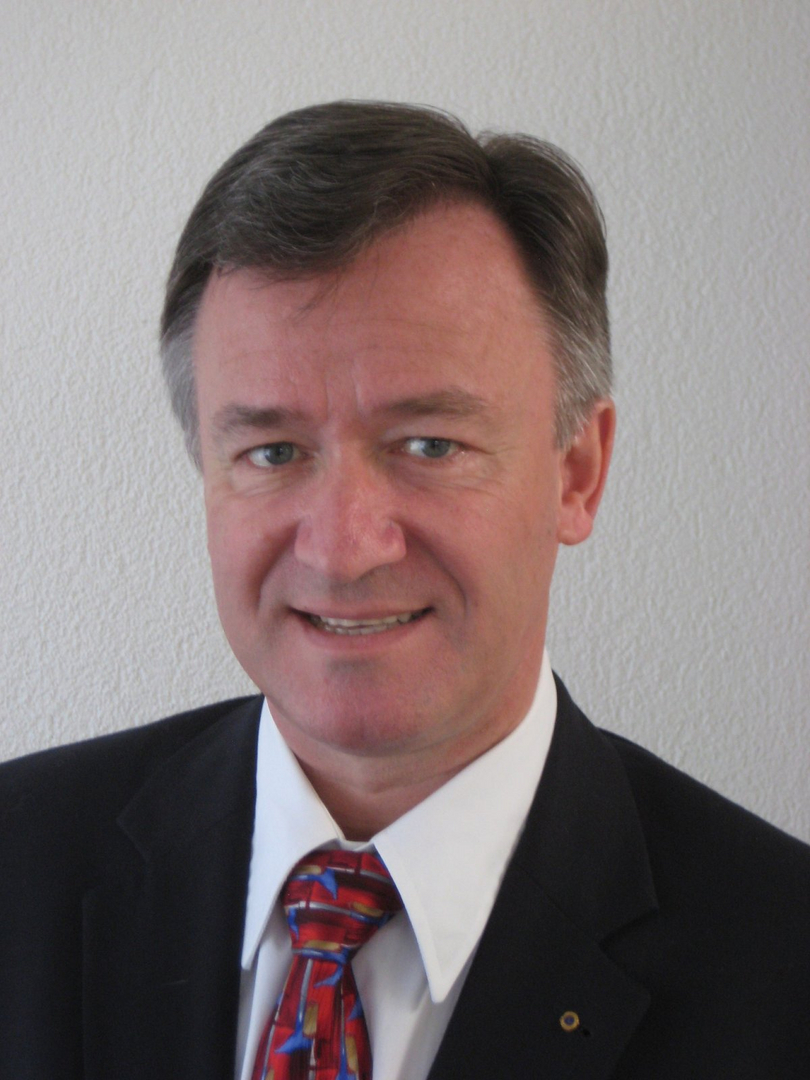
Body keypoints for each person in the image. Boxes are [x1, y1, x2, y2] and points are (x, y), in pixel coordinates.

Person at [1, 101, 808, 1080]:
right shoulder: (19, 865)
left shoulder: (782, 966)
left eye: (430, 444)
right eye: (272, 452)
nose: (344, 550)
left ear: (576, 472)